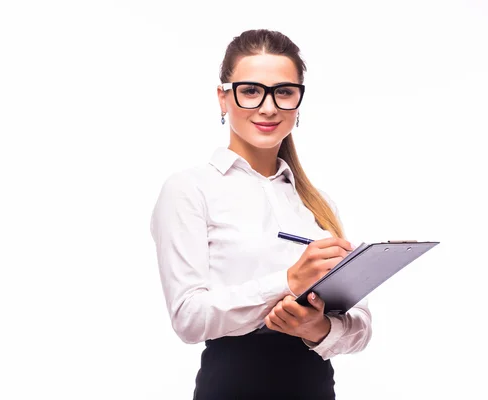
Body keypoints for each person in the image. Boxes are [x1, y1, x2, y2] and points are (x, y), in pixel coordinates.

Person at [150, 29, 373, 399]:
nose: (268, 107)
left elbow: (361, 328)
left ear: (298, 102)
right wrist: (289, 280)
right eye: (251, 91)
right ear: (223, 98)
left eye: (284, 92)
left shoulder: (318, 204)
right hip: (234, 387)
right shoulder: (190, 189)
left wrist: (316, 329)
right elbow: (188, 319)